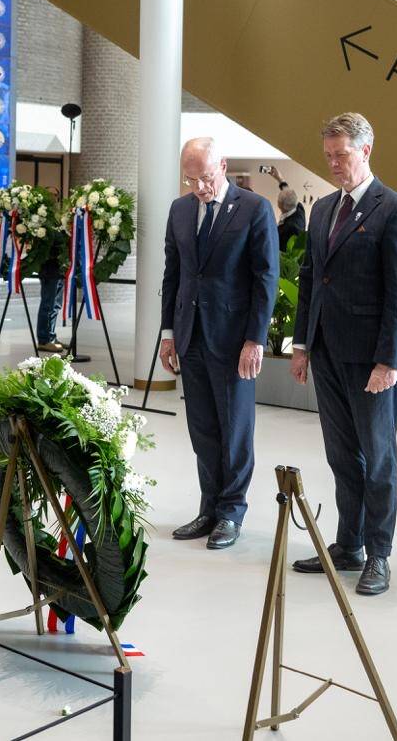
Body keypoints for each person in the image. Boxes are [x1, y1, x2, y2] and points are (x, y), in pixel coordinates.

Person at [289, 112, 397, 596]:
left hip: (370, 360)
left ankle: (378, 555)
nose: (334, 164)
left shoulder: (394, 209)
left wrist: (389, 360)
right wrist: (301, 346)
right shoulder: (322, 209)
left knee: (378, 457)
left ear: (366, 150)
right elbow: (309, 280)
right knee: (342, 456)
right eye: (328, 157)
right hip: (326, 352)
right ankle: (348, 545)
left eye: (341, 155)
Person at [159, 138, 278, 550]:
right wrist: (168, 334)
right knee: (203, 430)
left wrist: (255, 339)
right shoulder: (180, 209)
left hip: (233, 341)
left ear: (222, 166)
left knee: (235, 430)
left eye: (206, 178)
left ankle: (232, 510)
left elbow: (266, 279)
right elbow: (173, 275)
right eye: (191, 180)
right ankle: (209, 507)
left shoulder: (254, 208)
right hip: (190, 334)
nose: (200, 188)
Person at [35, 185, 66, 353]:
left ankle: (51, 335)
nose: (53, 197)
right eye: (49, 195)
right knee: (47, 303)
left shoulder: (57, 217)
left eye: (55, 195)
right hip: (48, 268)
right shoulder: (40, 217)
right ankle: (43, 339)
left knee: (55, 305)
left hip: (59, 267)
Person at [268, 166, 307, 251]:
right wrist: (280, 178)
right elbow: (288, 193)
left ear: (281, 206)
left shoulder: (289, 228)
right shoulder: (299, 208)